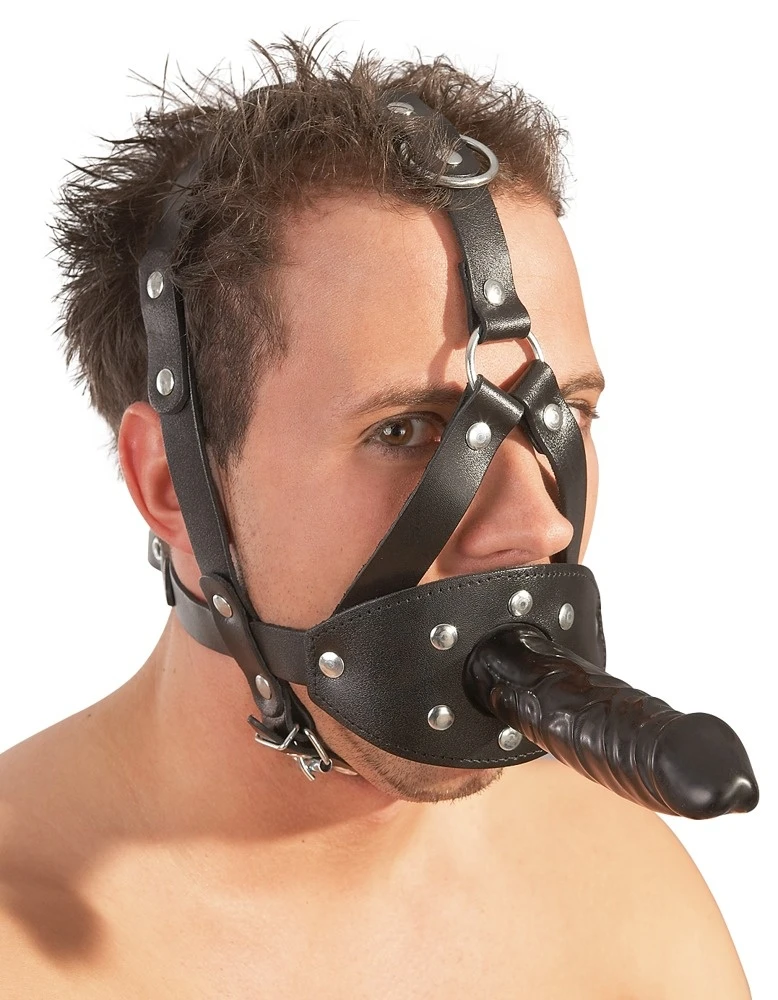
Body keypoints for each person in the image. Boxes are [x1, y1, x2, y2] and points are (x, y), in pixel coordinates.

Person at [0, 35, 752, 998]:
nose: (538, 528)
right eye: (405, 430)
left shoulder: (619, 879)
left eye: (567, 413)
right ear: (170, 486)